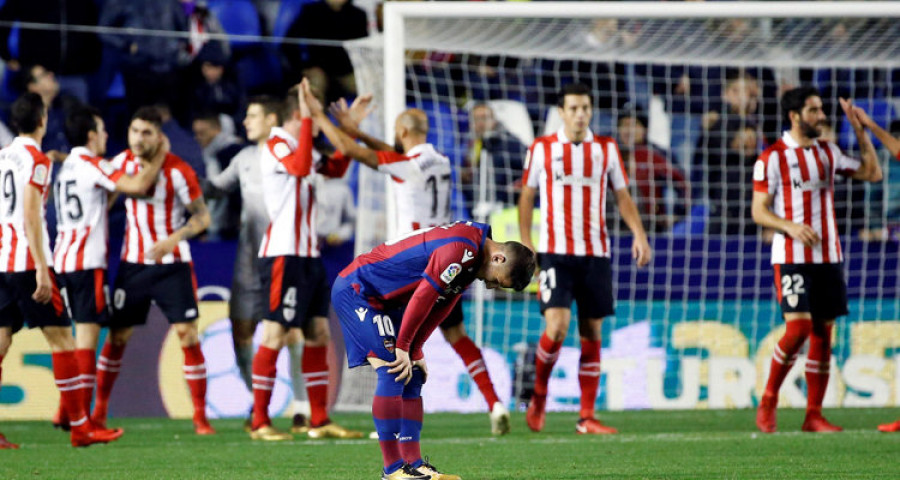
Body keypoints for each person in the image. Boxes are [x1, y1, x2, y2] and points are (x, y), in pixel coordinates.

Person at [317, 89, 513, 435]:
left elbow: (351, 152)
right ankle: (494, 402)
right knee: (458, 336)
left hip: (412, 269)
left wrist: (322, 117)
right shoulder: (440, 160)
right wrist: (358, 130)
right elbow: (390, 153)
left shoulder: (405, 166)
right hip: (454, 265)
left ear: (404, 133)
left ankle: (391, 430)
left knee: (396, 354)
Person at [332, 221, 536, 480]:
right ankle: (392, 470)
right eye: (498, 280)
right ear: (498, 257)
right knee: (393, 371)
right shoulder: (461, 249)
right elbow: (423, 296)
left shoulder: (473, 255)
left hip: (387, 301)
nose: (490, 286)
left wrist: (416, 349)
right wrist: (403, 346)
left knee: (413, 374)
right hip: (359, 290)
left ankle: (413, 464)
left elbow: (443, 303)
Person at [517, 83, 652, 435]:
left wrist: (638, 233)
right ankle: (540, 395)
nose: (580, 114)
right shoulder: (542, 149)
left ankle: (587, 416)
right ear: (561, 112)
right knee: (557, 327)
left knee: (592, 331)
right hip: (555, 253)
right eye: (573, 108)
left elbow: (622, 195)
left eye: (585, 108)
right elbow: (527, 195)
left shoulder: (606, 149)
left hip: (595, 253)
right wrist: (527, 242)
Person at [753, 88, 882, 433]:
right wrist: (789, 226)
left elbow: (873, 173)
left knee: (824, 334)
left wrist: (859, 129)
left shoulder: (829, 152)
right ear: (794, 116)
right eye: (813, 110)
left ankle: (813, 414)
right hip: (792, 257)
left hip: (828, 256)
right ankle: (768, 399)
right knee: (798, 328)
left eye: (821, 109)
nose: (821, 115)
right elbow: (758, 211)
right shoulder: (772, 157)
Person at [0, 93, 123, 447]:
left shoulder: (3, 157)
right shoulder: (36, 160)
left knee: (1, 342)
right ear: (43, 121)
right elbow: (30, 215)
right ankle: (81, 428)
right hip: (27, 260)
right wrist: (41, 267)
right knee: (64, 341)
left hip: (3, 262)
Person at [91, 106, 215, 435]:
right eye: (134, 131)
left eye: (146, 132)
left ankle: (200, 416)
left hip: (172, 265)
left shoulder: (179, 171)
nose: (138, 138)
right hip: (133, 265)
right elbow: (106, 201)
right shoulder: (121, 165)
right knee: (117, 338)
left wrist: (172, 240)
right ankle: (100, 411)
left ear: (159, 136)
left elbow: (202, 217)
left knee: (188, 335)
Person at [247, 81, 361, 441]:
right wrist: (313, 119)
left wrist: (347, 128)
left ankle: (320, 419)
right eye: (308, 114)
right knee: (276, 332)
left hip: (308, 255)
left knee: (317, 333)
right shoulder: (277, 143)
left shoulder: (301, 148)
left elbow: (338, 167)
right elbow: (298, 169)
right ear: (298, 115)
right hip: (284, 253)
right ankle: (260, 422)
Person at [49, 106, 166, 431]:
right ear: (90, 135)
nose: (106, 135)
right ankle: (81, 419)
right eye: (101, 130)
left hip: (62, 260)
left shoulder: (68, 166)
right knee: (86, 341)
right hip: (87, 263)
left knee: (68, 341)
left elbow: (103, 199)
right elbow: (139, 184)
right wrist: (160, 156)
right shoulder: (92, 164)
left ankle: (65, 411)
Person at [205, 96, 313, 433]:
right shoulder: (245, 157)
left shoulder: (292, 150)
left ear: (272, 119)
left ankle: (300, 405)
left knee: (289, 328)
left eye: (252, 116)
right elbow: (218, 188)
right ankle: (259, 399)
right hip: (250, 258)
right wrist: (188, 179)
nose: (245, 123)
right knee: (242, 332)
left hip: (284, 251)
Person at [281, 0, 368, 103]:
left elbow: (363, 47)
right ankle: (317, 116)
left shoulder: (358, 14)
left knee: (368, 84)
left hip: (346, 71)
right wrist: (301, 67)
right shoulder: (311, 11)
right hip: (319, 68)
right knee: (315, 84)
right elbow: (288, 43)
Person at [616, 111, 689, 232]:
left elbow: (681, 182)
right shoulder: (610, 153)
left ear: (644, 129)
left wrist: (678, 213)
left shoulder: (655, 154)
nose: (628, 130)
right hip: (616, 225)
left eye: (634, 125)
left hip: (651, 226)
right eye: (624, 125)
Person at [462, 103, 526, 212]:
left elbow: (530, 167)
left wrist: (514, 187)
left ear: (494, 120)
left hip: (505, 208)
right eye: (476, 119)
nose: (480, 123)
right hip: (476, 205)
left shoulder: (510, 143)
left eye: (484, 118)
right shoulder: (470, 144)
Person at [193, 112, 243, 239]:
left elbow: (235, 190)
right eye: (196, 133)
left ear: (217, 130)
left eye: (202, 133)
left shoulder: (233, 152)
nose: (198, 138)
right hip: (216, 226)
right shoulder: (209, 155)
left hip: (230, 227)